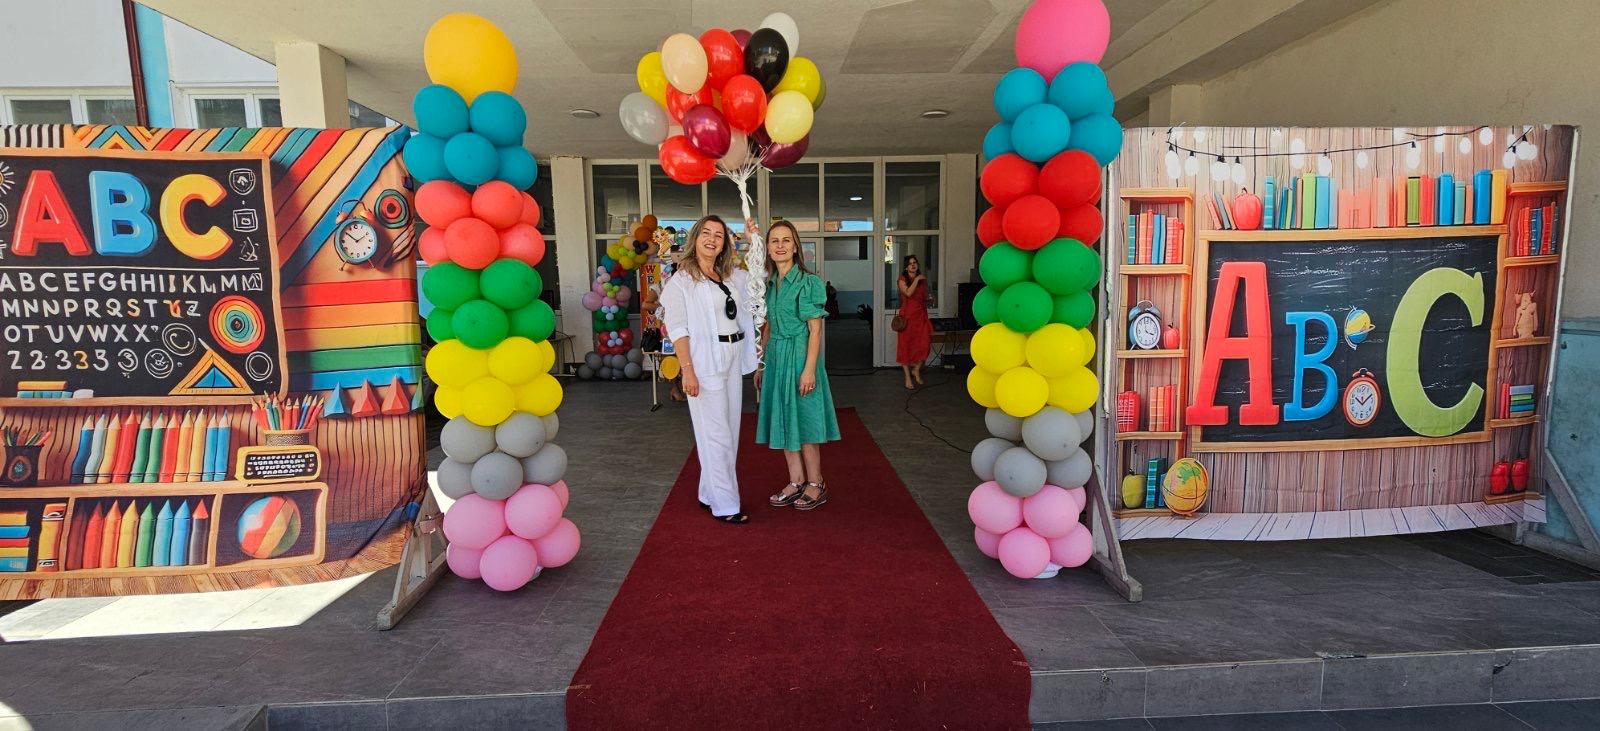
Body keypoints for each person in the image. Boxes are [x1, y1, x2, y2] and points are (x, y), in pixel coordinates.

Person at [660, 215, 758, 524]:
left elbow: (761, 276)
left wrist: (752, 240)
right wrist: (687, 371)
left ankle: (708, 492)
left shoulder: (730, 275)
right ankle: (726, 504)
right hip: (704, 362)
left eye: (719, 234)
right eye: (706, 232)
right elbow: (678, 330)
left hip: (732, 355)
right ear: (695, 238)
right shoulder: (681, 281)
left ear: (725, 242)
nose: (712, 239)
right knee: (717, 435)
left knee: (729, 428)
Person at [754, 220, 840, 511]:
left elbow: (815, 331)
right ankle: (796, 480)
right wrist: (761, 365)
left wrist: (809, 369)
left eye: (786, 240)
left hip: (801, 358)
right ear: (768, 248)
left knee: (805, 421)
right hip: (776, 359)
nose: (780, 245)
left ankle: (816, 483)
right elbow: (767, 328)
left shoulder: (808, 282)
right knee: (783, 419)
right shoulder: (769, 285)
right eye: (774, 241)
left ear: (795, 247)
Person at [896, 254, 932, 390]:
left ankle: (916, 369)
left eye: (915, 262)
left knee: (925, 344)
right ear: (906, 267)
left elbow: (922, 297)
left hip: (920, 316)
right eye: (910, 263)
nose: (913, 265)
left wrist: (929, 299)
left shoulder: (923, 280)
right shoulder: (902, 279)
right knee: (905, 347)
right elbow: (908, 293)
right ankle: (907, 377)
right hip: (907, 318)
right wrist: (916, 279)